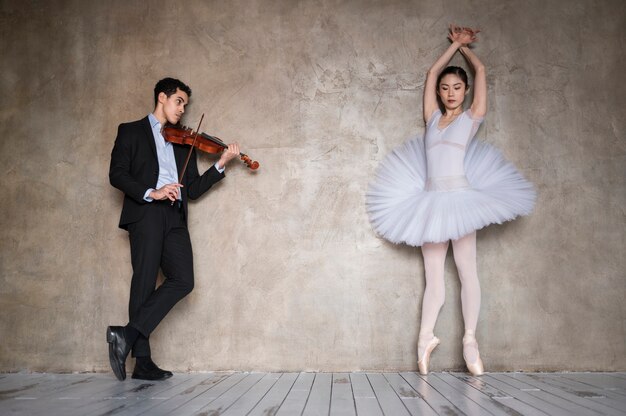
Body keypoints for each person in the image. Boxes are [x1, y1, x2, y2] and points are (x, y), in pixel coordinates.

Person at [366, 26, 536, 376]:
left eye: (457, 87)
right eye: (445, 89)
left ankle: (470, 340)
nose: (450, 93)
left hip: (460, 199)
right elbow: (430, 73)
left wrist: (467, 51)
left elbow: (482, 72)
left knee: (466, 270)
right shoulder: (431, 118)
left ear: (466, 91)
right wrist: (452, 48)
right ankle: (424, 339)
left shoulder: (472, 119)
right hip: (429, 200)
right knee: (434, 279)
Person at [107, 77, 240, 381]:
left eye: (185, 105)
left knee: (183, 280)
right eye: (179, 101)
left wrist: (220, 163)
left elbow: (191, 189)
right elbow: (117, 174)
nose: (182, 109)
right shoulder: (130, 131)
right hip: (147, 212)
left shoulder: (183, 142)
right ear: (162, 97)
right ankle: (142, 361)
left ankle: (124, 335)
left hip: (175, 216)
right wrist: (151, 191)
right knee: (144, 282)